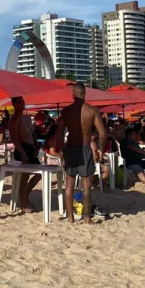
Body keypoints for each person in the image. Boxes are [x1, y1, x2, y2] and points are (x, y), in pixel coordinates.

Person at [56, 82, 109, 223]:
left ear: (73, 94)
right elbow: (103, 134)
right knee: (86, 186)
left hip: (70, 148)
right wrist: (100, 149)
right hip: (85, 149)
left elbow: (59, 131)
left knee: (69, 185)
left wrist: (61, 149)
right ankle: (86, 218)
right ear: (84, 93)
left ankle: (70, 218)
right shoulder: (92, 110)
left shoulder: (66, 111)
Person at [9, 96, 41, 213]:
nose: (22, 104)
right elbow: (14, 138)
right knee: (24, 176)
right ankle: (23, 202)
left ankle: (24, 196)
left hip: (30, 147)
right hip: (22, 148)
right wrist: (22, 153)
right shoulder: (14, 119)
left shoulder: (26, 118)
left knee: (38, 174)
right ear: (14, 104)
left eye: (23, 102)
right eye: (19, 103)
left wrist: (36, 145)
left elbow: (32, 133)